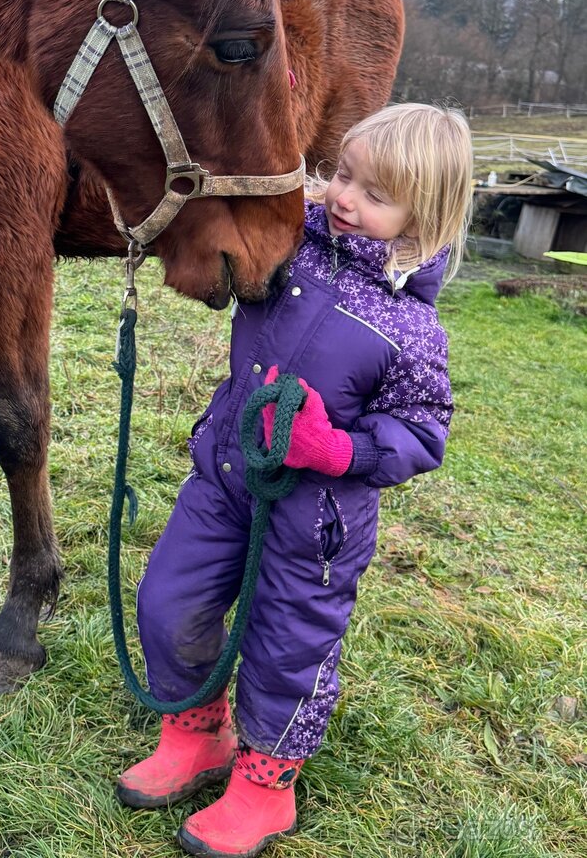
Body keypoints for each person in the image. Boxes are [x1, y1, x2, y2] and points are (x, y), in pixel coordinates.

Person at [116, 103, 474, 858]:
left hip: (316, 523)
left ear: (424, 220)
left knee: (289, 648)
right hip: (227, 474)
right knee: (168, 600)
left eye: (374, 194)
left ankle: (263, 788)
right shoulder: (289, 249)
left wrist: (335, 449)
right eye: (343, 175)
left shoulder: (413, 332)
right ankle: (196, 730)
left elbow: (422, 434)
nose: (343, 198)